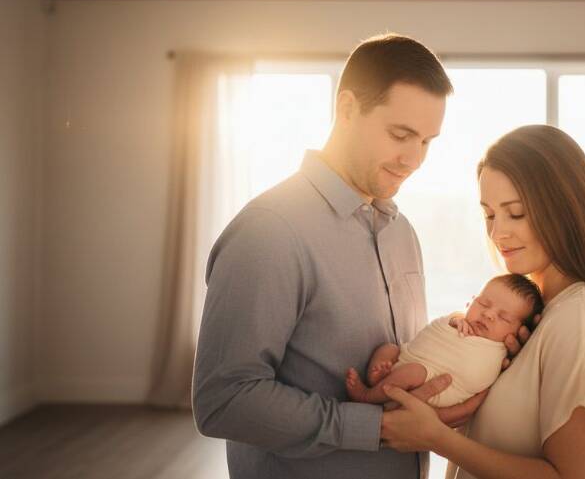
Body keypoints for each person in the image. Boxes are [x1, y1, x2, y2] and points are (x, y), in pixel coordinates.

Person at [192, 33, 484, 479]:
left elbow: (404, 364)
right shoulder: (269, 231)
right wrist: (375, 427)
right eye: (400, 135)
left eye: (427, 142)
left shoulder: (402, 233)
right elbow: (224, 401)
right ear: (347, 108)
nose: (414, 159)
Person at [378, 124, 585, 479]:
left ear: (565, 210)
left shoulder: (581, 319)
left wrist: (436, 437)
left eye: (515, 212)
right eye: (489, 214)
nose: (497, 232)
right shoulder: (538, 318)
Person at [346, 274, 544, 407]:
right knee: (388, 349)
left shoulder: (498, 351)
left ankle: (367, 396)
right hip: (406, 358)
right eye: (483, 303)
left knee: (413, 371)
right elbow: (442, 326)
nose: (489, 314)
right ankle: (379, 378)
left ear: (519, 332)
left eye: (504, 317)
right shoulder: (460, 321)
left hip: (432, 383)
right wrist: (455, 320)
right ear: (471, 301)